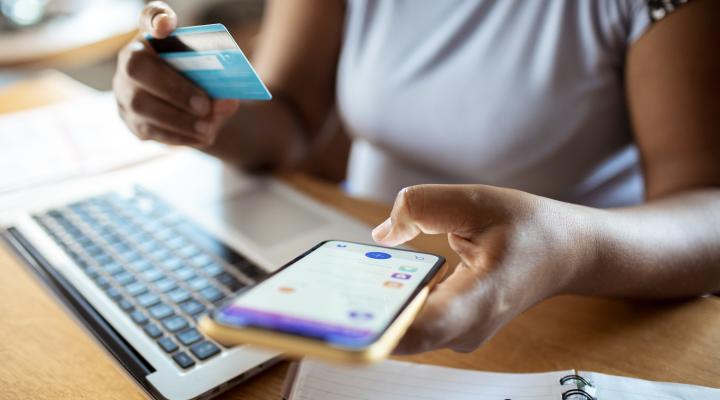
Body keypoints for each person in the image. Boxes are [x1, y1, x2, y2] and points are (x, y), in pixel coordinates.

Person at [113, 0, 720, 354]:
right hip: (357, 267)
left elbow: (708, 207)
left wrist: (565, 248)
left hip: (571, 314)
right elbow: (290, 118)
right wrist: (195, 108)